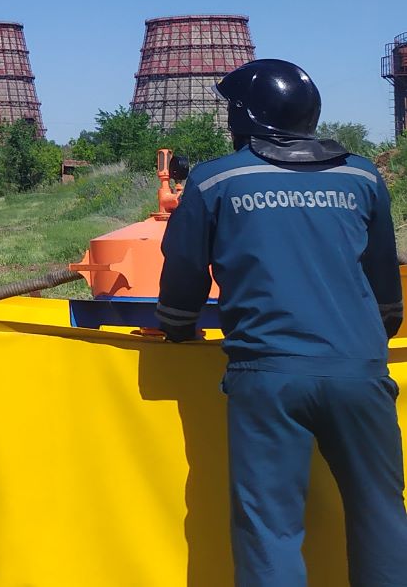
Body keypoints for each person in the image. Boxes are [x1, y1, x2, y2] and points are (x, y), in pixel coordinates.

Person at [157, 59, 407, 585]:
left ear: (245, 118)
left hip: (267, 375)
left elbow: (183, 272)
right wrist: (368, 340)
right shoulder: (362, 177)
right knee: (382, 514)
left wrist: (178, 328)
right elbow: (385, 279)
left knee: (269, 528)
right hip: (360, 372)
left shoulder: (215, 180)